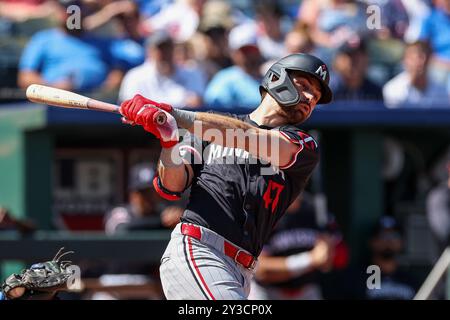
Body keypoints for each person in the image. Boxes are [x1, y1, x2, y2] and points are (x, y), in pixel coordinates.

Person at [119, 52, 333, 299]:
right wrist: (169, 141)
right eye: (304, 86)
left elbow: (249, 137)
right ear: (277, 78)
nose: (309, 98)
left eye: (316, 97)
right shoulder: (208, 130)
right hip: (200, 250)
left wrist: (178, 116)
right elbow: (171, 186)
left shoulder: (304, 144)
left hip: (242, 270)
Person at [18, 0, 125, 93]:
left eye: (77, 7)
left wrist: (109, 86)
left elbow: (116, 71)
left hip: (97, 103)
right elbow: (26, 78)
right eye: (67, 8)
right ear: (58, 10)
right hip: (58, 104)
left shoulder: (99, 41)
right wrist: (54, 88)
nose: (72, 13)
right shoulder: (43, 39)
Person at [248, 192, 340, 300]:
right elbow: (260, 270)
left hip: (307, 290)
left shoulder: (315, 208)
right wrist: (309, 260)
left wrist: (328, 251)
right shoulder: (264, 210)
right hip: (268, 292)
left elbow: (335, 260)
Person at [118, 30, 206, 108]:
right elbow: (128, 108)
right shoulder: (134, 77)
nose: (165, 53)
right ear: (150, 51)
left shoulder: (191, 73)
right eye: (159, 49)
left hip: (182, 126)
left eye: (168, 48)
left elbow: (196, 104)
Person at [204, 23, 265, 110]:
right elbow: (215, 113)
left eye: (252, 50)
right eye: (244, 51)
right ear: (233, 53)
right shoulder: (224, 79)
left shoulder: (269, 78)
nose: (250, 56)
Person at [383, 41, 449, 108]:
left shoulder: (441, 90)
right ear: (405, 60)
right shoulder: (392, 89)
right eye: (417, 57)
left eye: (426, 57)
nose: (422, 62)